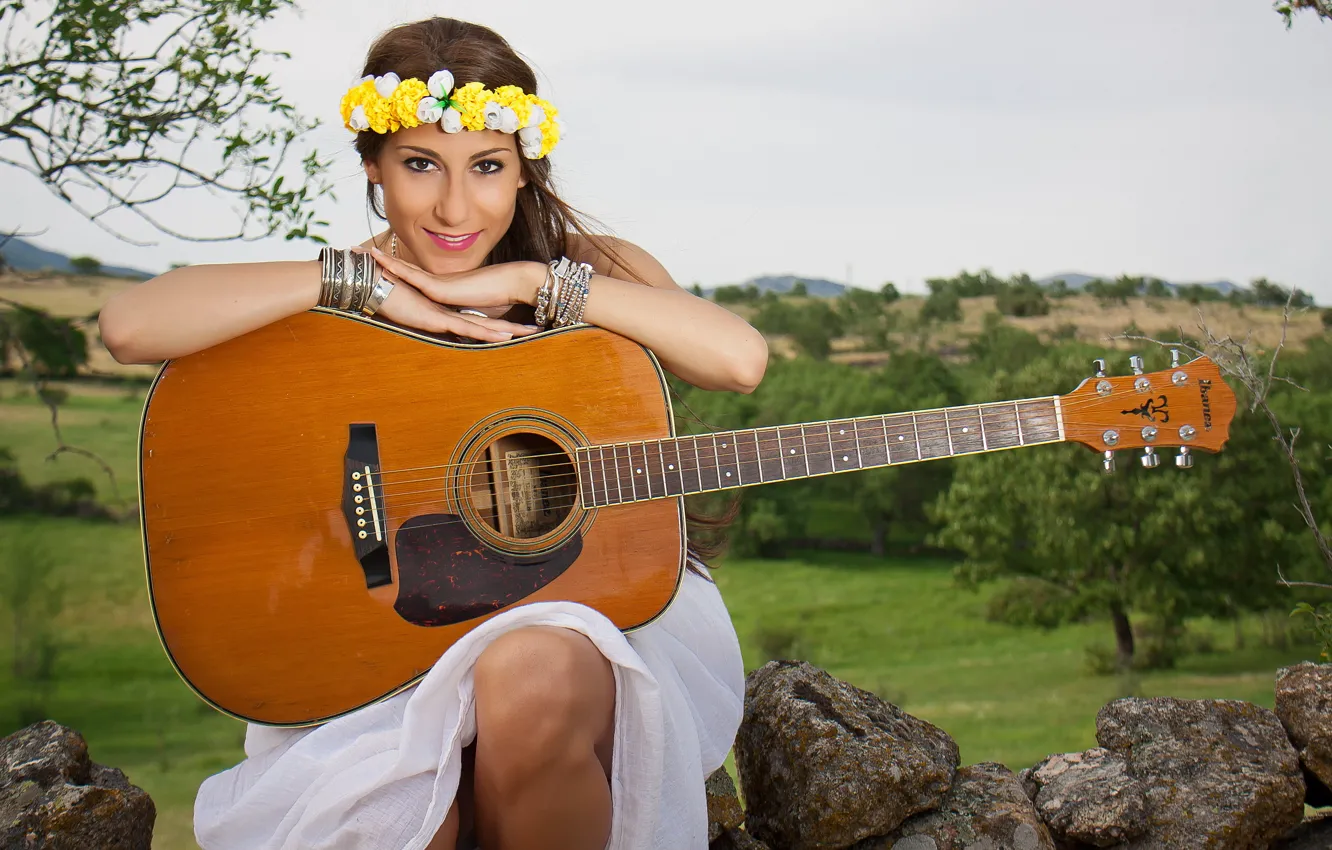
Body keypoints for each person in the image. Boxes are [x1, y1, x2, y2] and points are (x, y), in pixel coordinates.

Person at [98, 15, 768, 850]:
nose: (456, 206)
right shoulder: (342, 292)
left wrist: (530, 279)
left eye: (487, 167)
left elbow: (738, 360)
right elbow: (128, 327)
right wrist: (363, 287)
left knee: (528, 674)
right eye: (421, 165)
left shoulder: (588, 266)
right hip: (382, 631)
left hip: (589, 605)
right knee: (414, 815)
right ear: (374, 170)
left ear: (525, 170)